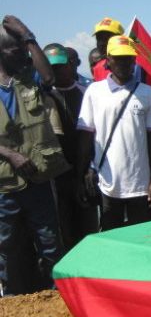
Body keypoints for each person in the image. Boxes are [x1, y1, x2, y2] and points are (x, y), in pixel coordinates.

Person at [0, 15, 70, 294]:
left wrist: (28, 36)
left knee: (50, 243)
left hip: (39, 179)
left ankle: (56, 296)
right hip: (5, 185)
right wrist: (10, 154)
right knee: (8, 246)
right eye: (16, 50)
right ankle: (12, 300)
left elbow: (49, 76)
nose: (23, 55)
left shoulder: (28, 80)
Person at [76, 35, 151, 231]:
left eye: (128, 58)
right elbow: (85, 138)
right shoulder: (94, 92)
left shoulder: (148, 93)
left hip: (140, 183)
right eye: (118, 57)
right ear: (108, 60)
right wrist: (80, 175)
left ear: (134, 61)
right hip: (107, 182)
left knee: (140, 236)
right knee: (110, 236)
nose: (124, 62)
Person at [43, 43, 99, 249]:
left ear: (71, 65)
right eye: (51, 67)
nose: (57, 71)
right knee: (63, 231)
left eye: (61, 65)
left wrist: (89, 168)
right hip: (56, 177)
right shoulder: (41, 97)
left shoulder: (87, 93)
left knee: (89, 230)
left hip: (85, 172)